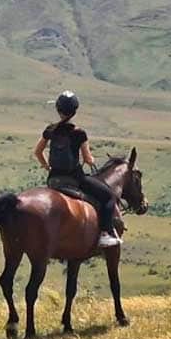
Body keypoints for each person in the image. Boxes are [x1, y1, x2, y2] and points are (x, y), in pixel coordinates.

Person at [34, 91, 121, 248]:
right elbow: (88, 159)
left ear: (58, 109)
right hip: (75, 179)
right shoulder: (79, 132)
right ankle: (105, 234)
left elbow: (37, 152)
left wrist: (47, 166)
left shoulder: (50, 130)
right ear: (75, 111)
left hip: (53, 179)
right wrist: (91, 160)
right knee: (108, 196)